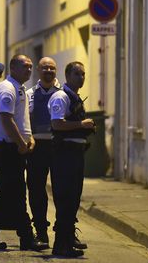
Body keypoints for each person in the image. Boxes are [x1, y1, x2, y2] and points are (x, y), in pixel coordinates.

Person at [0, 54, 48, 252]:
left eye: (30, 67)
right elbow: (6, 119)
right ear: (13, 68)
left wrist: (30, 138)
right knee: (10, 193)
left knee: (15, 194)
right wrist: (20, 143)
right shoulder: (7, 90)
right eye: (25, 66)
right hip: (7, 149)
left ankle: (23, 237)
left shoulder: (20, 90)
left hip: (15, 148)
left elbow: (22, 120)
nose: (29, 70)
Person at [48, 61, 96, 257]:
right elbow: (57, 124)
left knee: (73, 200)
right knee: (65, 199)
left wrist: (87, 127)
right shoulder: (61, 96)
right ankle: (61, 246)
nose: (81, 77)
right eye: (77, 74)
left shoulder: (74, 97)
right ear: (67, 76)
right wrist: (81, 124)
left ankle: (68, 241)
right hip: (64, 155)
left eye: (83, 74)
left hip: (75, 154)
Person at [25, 57, 61, 246]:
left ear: (56, 71)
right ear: (38, 70)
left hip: (58, 148)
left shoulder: (63, 94)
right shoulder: (30, 94)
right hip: (37, 148)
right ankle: (41, 232)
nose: (48, 70)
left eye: (52, 68)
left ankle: (65, 232)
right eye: (45, 67)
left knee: (62, 191)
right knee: (37, 190)